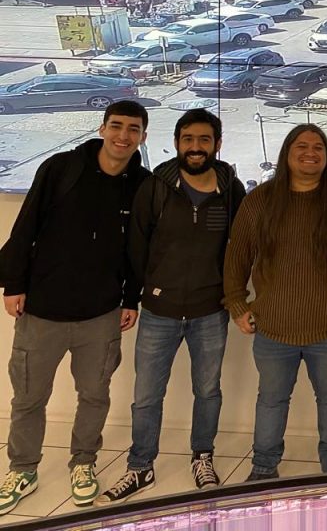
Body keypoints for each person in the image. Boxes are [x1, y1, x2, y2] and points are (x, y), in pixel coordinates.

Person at [0, 102, 150, 515]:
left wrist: (130, 298)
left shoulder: (142, 183)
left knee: (94, 395)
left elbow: (140, 250)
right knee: (29, 398)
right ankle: (23, 469)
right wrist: (13, 283)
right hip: (42, 310)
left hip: (101, 315)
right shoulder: (61, 168)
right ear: (103, 128)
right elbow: (25, 224)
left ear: (142, 136)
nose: (123, 136)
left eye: (133, 129)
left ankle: (84, 463)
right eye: (116, 126)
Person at [98, 110, 245, 505]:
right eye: (188, 139)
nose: (196, 147)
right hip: (159, 313)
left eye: (204, 139)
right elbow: (136, 248)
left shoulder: (231, 189)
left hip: (210, 311)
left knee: (208, 390)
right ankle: (140, 466)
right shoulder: (155, 187)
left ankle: (202, 456)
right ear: (177, 142)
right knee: (146, 395)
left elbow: (242, 247)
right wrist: (137, 296)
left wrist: (236, 297)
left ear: (218, 142)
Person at [224, 124, 327, 480]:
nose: (310, 153)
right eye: (301, 146)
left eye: (318, 147)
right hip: (273, 327)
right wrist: (237, 304)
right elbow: (237, 257)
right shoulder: (259, 200)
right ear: (287, 154)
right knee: (272, 401)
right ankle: (263, 469)